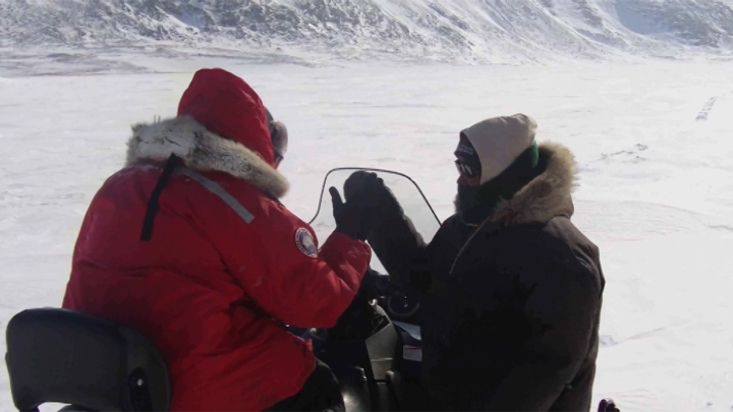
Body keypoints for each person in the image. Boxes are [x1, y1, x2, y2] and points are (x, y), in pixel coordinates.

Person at [62, 68, 373, 411]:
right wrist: (352, 239)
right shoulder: (231, 199)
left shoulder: (119, 186)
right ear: (251, 142)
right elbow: (314, 301)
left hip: (110, 381)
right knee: (317, 381)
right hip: (194, 384)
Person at [357, 113, 605, 411]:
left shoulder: (561, 253)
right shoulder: (468, 228)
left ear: (505, 172)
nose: (460, 177)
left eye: (470, 167)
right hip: (453, 396)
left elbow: (550, 365)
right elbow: (427, 279)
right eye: (458, 165)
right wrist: (380, 217)